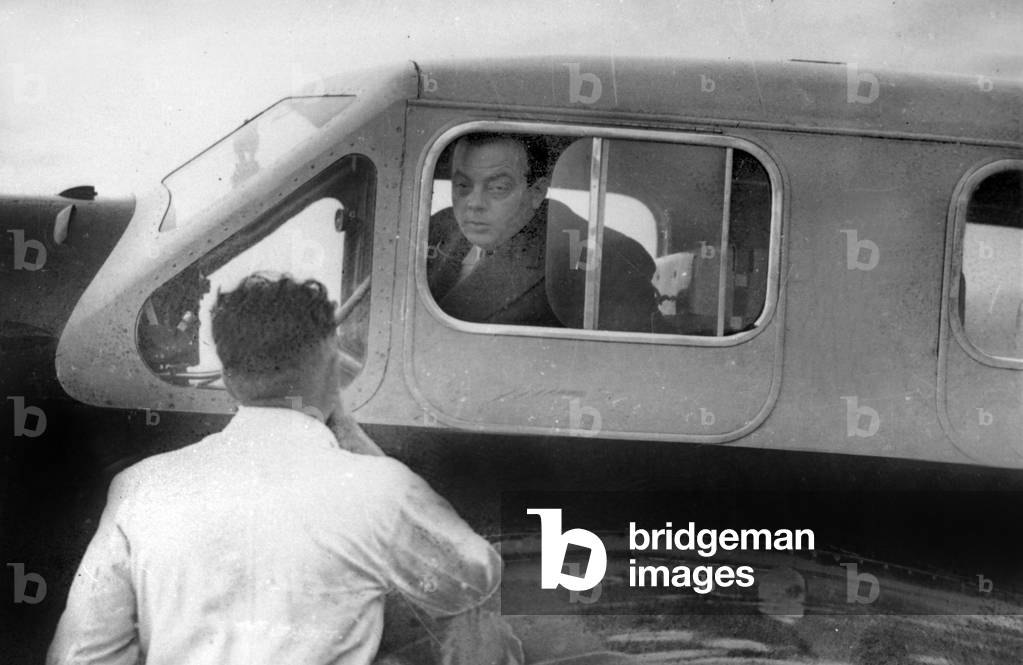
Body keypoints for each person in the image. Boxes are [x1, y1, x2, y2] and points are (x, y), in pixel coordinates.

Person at [47, 274, 520, 665]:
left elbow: (81, 655)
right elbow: (474, 579)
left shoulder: (140, 488)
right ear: (332, 365)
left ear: (229, 378)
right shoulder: (381, 490)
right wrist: (351, 434)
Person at [427, 132, 657, 331]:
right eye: (463, 186)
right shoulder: (437, 226)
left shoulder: (607, 258)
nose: (474, 203)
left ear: (536, 192)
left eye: (498, 188)